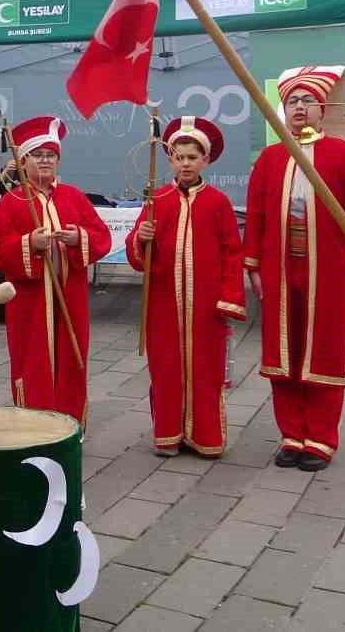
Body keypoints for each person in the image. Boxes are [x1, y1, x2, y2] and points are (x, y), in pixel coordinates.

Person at [243, 66, 345, 472]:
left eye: (307, 100)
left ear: (323, 110)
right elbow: (255, 215)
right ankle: (291, 433)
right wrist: (252, 265)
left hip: (329, 271)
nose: (300, 107)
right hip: (280, 270)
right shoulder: (270, 158)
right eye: (292, 101)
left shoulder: (343, 152)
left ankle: (320, 438)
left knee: (323, 350)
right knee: (283, 353)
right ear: (283, 110)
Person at [125, 117, 245, 456]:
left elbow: (232, 253)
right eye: (180, 157)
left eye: (193, 157)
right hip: (164, 303)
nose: (186, 163)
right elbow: (138, 255)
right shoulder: (157, 200)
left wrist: (230, 298)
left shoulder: (218, 203)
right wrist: (141, 240)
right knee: (166, 368)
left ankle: (205, 436)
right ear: (170, 160)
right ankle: (168, 434)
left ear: (205, 160)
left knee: (206, 371)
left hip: (207, 306)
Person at [0, 116, 111, 428]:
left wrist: (77, 238)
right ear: (24, 160)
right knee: (33, 359)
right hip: (30, 301)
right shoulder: (12, 202)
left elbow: (101, 237)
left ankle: (69, 424)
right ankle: (34, 425)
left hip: (71, 297)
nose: (45, 161)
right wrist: (30, 243)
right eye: (38, 155)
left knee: (71, 358)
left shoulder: (74, 197)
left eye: (51, 155)